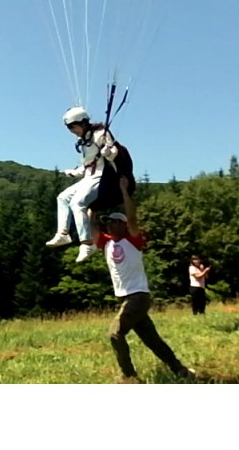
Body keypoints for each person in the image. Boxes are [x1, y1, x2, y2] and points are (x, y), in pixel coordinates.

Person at [88, 176, 195, 382]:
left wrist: (124, 191)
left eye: (113, 222)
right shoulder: (106, 242)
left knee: (115, 334)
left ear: (123, 224)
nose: (108, 225)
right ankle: (180, 370)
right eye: (107, 222)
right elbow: (91, 223)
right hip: (125, 298)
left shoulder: (133, 239)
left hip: (137, 296)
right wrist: (94, 200)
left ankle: (129, 377)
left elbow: (133, 218)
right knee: (152, 340)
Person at [45, 106, 133, 263]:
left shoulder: (100, 134)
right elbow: (88, 165)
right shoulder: (84, 142)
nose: (73, 131)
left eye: (74, 127)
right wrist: (73, 172)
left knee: (77, 203)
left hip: (101, 178)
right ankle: (63, 233)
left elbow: (113, 153)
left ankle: (87, 243)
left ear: (83, 122)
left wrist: (109, 152)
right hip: (89, 177)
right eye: (70, 128)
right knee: (63, 197)